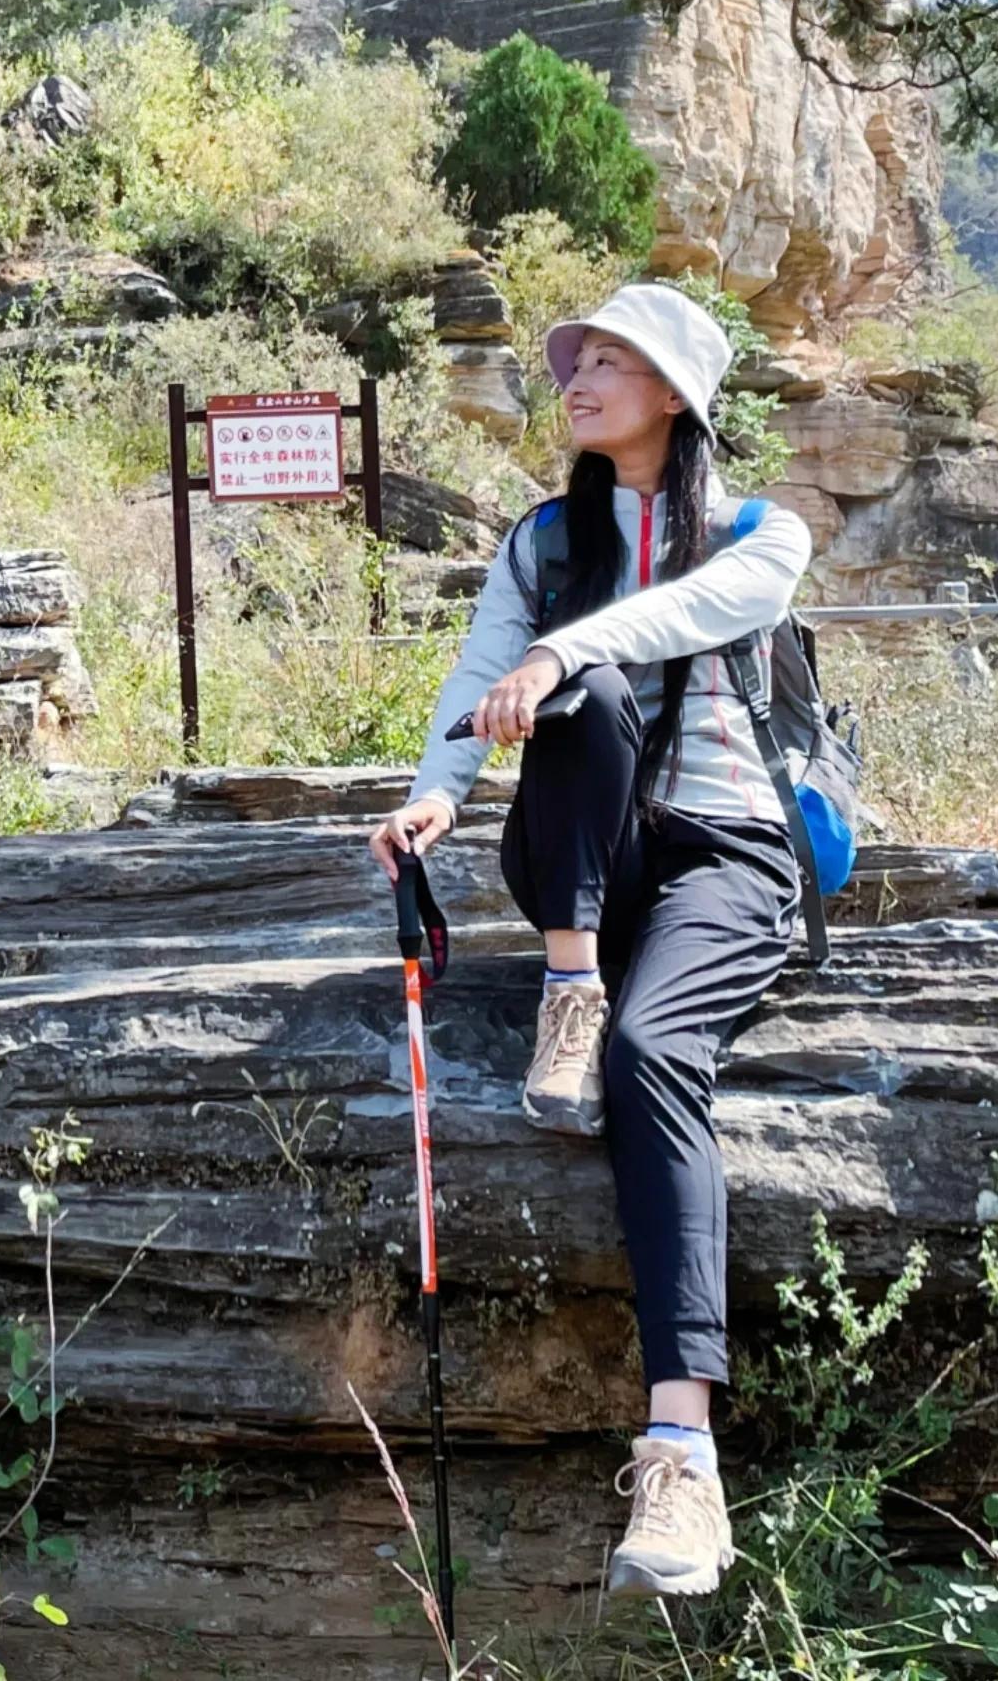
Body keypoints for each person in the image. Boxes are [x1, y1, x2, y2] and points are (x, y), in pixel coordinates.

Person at [368, 281, 812, 1601]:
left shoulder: (757, 530)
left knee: (653, 1051)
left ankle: (680, 1453)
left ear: (675, 396)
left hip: (724, 849)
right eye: (578, 358)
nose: (582, 376)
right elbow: (476, 669)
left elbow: (668, 623)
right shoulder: (539, 541)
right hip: (587, 862)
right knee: (582, 695)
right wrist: (433, 789)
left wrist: (562, 656)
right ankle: (567, 979)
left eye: (615, 361)